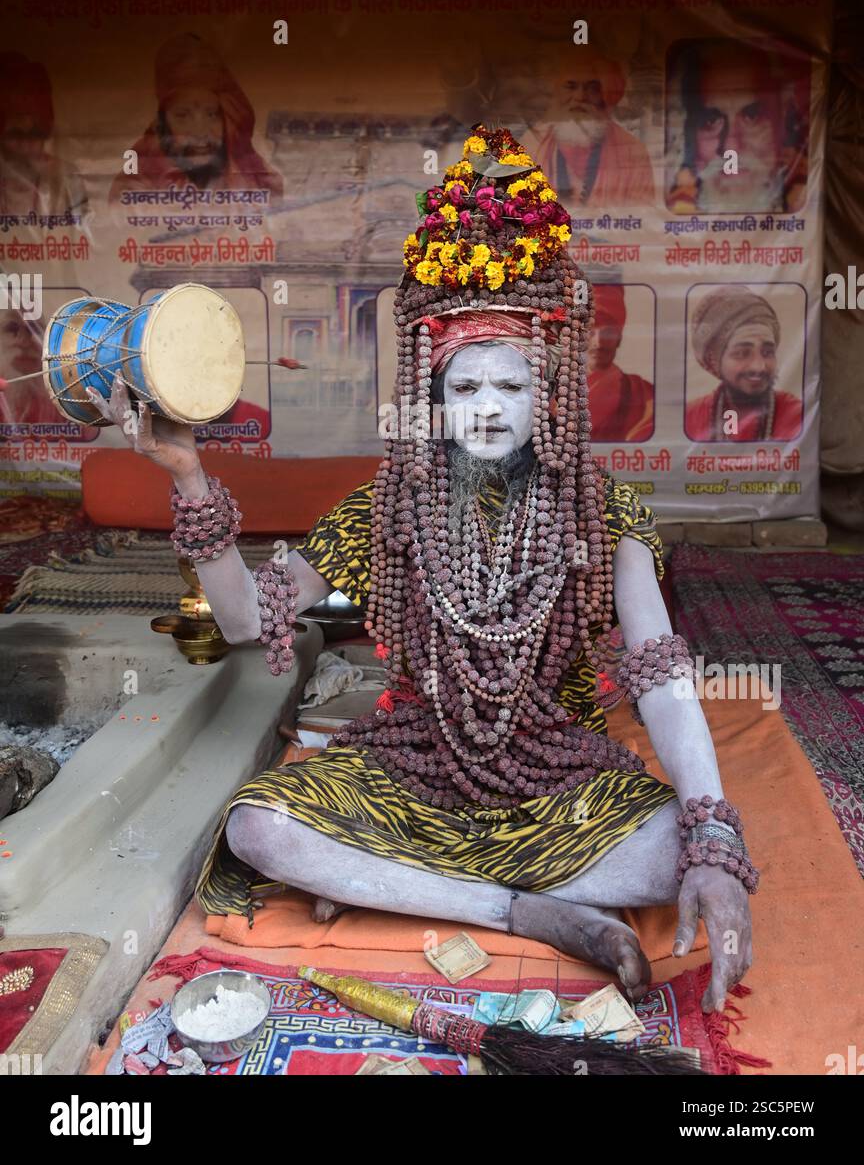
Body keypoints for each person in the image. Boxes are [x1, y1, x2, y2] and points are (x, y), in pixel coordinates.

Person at [92, 125, 756, 1016]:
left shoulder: (600, 509)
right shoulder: (389, 507)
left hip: (557, 776)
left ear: (547, 396)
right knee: (258, 828)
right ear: (431, 398)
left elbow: (663, 675)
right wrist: (188, 474)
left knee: (681, 846)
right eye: (464, 388)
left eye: (510, 388)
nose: (486, 410)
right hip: (411, 769)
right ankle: (522, 910)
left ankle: (400, 885)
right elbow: (249, 619)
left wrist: (711, 833)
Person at [109, 34, 283, 206]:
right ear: (162, 121)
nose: (200, 133)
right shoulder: (135, 184)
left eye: (212, 114)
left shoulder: (256, 178)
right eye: (183, 116)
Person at [667, 40, 808, 215]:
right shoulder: (673, 210)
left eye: (752, 115)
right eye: (710, 122)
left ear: (783, 118)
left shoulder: (807, 202)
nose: (731, 149)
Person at [534, 50, 656, 207]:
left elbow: (643, 221)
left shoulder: (633, 153)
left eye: (592, 88)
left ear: (606, 95)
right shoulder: (532, 146)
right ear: (556, 91)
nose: (580, 97)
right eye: (570, 86)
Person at [685, 286, 803, 442]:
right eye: (741, 354)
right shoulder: (691, 418)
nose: (759, 367)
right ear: (715, 361)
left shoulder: (797, 415)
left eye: (767, 352)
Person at [0, 52, 88, 220]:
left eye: (34, 135)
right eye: (16, 135)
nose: (26, 147)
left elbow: (84, 232)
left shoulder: (68, 178)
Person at [587, 285, 654, 442]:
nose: (599, 342)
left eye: (608, 332)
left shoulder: (645, 396)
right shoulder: (552, 394)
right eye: (590, 330)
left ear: (619, 338)